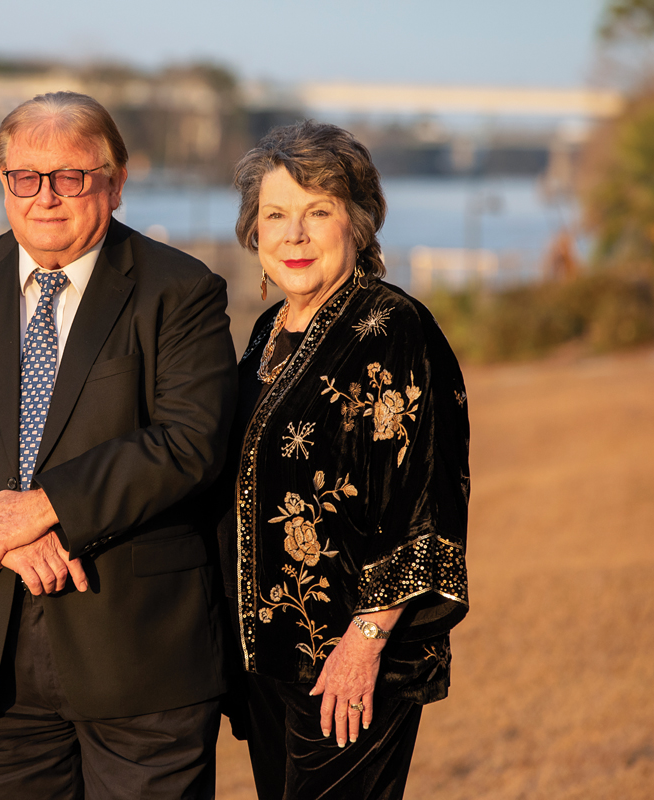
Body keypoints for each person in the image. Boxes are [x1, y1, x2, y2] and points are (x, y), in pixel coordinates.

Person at [0, 91, 236, 799]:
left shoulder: (180, 289)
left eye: (70, 176)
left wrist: (46, 507)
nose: (46, 197)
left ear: (116, 181)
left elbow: (191, 440)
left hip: (139, 655)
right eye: (25, 177)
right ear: (3, 181)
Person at [215, 119, 470, 800]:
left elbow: (427, 508)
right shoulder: (270, 331)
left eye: (317, 212)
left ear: (358, 223)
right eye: (275, 215)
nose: (293, 235)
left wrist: (362, 644)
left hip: (352, 664)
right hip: (270, 660)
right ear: (254, 231)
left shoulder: (395, 329)